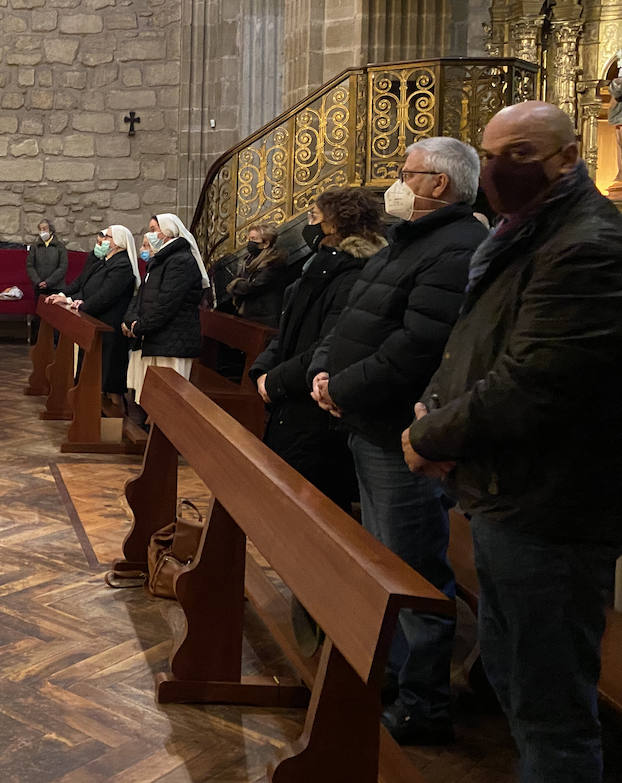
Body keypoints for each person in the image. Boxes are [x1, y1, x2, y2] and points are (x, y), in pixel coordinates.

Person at [403, 102, 622, 783]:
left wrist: (427, 432)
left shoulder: (586, 245)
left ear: (569, 156)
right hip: (507, 490)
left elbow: (534, 382)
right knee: (517, 678)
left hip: (550, 506)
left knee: (549, 710)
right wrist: (438, 409)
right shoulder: (522, 232)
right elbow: (482, 344)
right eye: (491, 152)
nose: (500, 168)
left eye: (521, 153)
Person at [308, 136, 486, 745]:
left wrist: (345, 387)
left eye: (407, 173)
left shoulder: (456, 248)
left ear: (439, 184)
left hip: (397, 433)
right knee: (383, 560)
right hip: (368, 423)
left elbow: (418, 346)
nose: (397, 183)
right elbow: (355, 316)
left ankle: (424, 701)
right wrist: (325, 372)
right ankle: (391, 673)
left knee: (412, 569)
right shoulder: (408, 241)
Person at [251, 187, 385, 508]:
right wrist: (263, 371)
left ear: (335, 225)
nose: (308, 225)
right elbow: (287, 331)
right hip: (291, 400)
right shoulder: (316, 267)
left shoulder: (354, 274)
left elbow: (330, 343)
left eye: (314, 217)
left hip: (315, 408)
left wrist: (276, 380)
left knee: (312, 507)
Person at [122, 213, 208, 426]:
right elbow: (142, 297)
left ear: (168, 231)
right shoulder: (160, 259)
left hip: (173, 341)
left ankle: (165, 447)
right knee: (155, 400)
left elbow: (167, 303)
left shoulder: (181, 261)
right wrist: (133, 321)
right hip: (157, 337)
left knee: (169, 403)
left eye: (153, 229)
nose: (150, 234)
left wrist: (139, 327)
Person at [47, 225, 138, 404]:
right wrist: (71, 300)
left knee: (109, 376)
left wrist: (82, 306)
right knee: (95, 372)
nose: (103, 240)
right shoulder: (104, 261)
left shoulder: (122, 266)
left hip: (110, 326)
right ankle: (89, 406)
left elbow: (106, 295)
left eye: (108, 237)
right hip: (95, 322)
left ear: (119, 242)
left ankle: (112, 415)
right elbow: (88, 288)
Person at [224, 223, 286, 327]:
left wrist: (234, 284)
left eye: (253, 239)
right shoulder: (248, 259)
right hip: (248, 314)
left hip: (264, 318)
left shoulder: (274, 263)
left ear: (266, 243)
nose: (249, 243)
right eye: (249, 239)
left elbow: (253, 286)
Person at [26, 218, 68, 296]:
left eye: (44, 229)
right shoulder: (34, 247)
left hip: (56, 288)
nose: (42, 231)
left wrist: (48, 282)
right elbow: (30, 266)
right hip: (39, 288)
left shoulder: (60, 247)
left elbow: (63, 267)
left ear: (51, 231)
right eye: (40, 229)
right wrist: (38, 281)